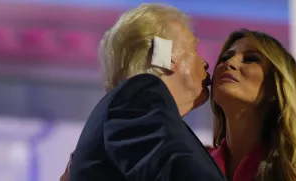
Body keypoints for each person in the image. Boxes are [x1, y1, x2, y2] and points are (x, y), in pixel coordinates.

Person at [66, 3, 227, 181]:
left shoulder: (134, 107)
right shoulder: (138, 94)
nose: (205, 62)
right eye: (194, 49)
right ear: (167, 56)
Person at [208, 29, 296, 181]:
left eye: (250, 59)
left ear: (275, 86)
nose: (229, 63)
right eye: (225, 57)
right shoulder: (196, 163)